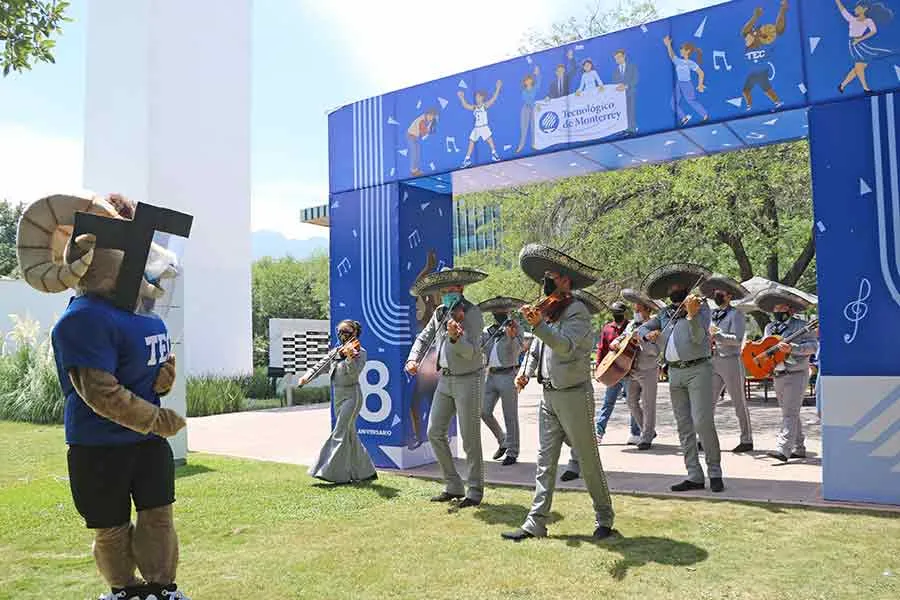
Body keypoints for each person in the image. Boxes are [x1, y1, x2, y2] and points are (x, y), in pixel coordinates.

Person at [19, 191, 192, 600]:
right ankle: (125, 591)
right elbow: (100, 392)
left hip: (147, 444)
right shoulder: (83, 320)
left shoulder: (142, 313)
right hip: (99, 446)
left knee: (158, 517)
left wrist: (164, 376)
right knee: (111, 527)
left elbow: (154, 371)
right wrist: (156, 418)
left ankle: (162, 587)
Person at [503, 244, 616, 541]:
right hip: (549, 396)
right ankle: (535, 522)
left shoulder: (578, 311)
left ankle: (604, 518)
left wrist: (538, 324)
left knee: (588, 460)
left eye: (552, 275)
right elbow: (537, 349)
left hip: (575, 395)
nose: (547, 280)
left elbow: (563, 345)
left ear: (566, 280)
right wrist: (524, 371)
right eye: (546, 276)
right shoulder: (549, 311)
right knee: (545, 461)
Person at [638, 263, 725, 493]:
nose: (674, 289)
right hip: (674, 372)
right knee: (684, 425)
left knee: (702, 421)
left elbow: (698, 338)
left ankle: (714, 471)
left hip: (699, 369)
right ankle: (694, 475)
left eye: (678, 286)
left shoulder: (701, 308)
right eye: (671, 287)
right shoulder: (664, 313)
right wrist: (648, 335)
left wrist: (692, 315)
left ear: (687, 287)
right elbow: (640, 330)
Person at [405, 267, 487, 507]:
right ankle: (453, 485)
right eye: (444, 290)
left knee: (470, 438)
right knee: (434, 432)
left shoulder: (472, 313)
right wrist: (413, 358)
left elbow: (473, 350)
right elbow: (424, 337)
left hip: (469, 378)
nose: (448, 294)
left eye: (452, 289)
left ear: (461, 289)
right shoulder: (440, 312)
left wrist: (455, 339)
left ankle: (474, 491)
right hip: (446, 379)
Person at [306, 320, 377, 484]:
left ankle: (328, 472)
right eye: (340, 331)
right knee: (349, 433)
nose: (342, 334)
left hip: (352, 396)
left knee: (339, 432)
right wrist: (307, 377)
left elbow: (353, 374)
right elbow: (320, 365)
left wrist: (350, 358)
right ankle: (365, 472)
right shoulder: (335, 351)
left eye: (346, 331)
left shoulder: (361, 352)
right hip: (337, 395)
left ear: (355, 333)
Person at [754, 289, 818, 462]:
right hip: (777, 373)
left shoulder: (801, 326)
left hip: (796, 373)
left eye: (781, 307)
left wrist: (793, 349)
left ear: (790, 309)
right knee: (790, 411)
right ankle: (799, 447)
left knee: (789, 412)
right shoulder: (769, 327)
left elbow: (813, 346)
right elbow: (766, 348)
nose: (777, 310)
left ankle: (783, 449)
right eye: (775, 308)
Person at [557, 288, 609, 482]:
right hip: (554, 386)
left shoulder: (581, 325)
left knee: (579, 429)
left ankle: (576, 464)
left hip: (576, 383)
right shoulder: (553, 323)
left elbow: (567, 348)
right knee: (565, 432)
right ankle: (582, 452)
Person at [700, 274, 754, 453]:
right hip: (713, 360)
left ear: (729, 295)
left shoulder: (736, 314)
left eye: (720, 292)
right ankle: (704, 439)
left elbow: (738, 339)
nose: (717, 294)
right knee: (708, 402)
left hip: (731, 361)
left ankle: (746, 439)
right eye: (715, 292)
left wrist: (719, 336)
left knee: (738, 401)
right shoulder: (711, 315)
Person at [479, 297, 527, 466]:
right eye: (495, 311)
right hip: (490, 375)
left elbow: (519, 348)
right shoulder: (487, 331)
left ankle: (513, 452)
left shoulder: (516, 328)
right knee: (483, 411)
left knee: (510, 415)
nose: (498, 313)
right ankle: (503, 440)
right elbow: (479, 347)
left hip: (509, 374)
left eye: (502, 311)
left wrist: (511, 336)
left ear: (507, 311)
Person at [616, 289, 663, 450]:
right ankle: (647, 430)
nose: (635, 309)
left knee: (648, 404)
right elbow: (622, 337)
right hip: (631, 369)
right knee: (630, 402)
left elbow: (655, 351)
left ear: (646, 309)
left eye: (638, 307)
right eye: (635, 306)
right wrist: (616, 342)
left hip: (648, 369)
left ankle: (646, 437)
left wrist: (642, 340)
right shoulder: (631, 324)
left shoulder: (656, 326)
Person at [594, 301, 641, 445]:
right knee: (608, 403)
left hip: (628, 372)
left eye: (619, 312)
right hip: (613, 372)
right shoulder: (607, 328)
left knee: (632, 403)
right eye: (614, 312)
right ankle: (599, 432)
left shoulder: (632, 327)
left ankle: (635, 433)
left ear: (624, 313)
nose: (617, 315)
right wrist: (599, 368)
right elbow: (602, 349)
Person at [836, 0, 895, 94]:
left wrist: (860, 39)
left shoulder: (868, 20)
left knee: (859, 68)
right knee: (859, 66)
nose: (855, 9)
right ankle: (865, 88)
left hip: (859, 43)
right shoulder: (852, 19)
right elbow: (843, 10)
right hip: (853, 44)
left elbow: (874, 31)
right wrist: (838, 1)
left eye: (858, 8)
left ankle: (842, 85)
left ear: (864, 9)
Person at [740, 0, 789, 111]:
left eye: (751, 33)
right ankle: (749, 106)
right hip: (753, 73)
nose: (747, 36)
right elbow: (744, 31)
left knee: (767, 89)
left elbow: (778, 29)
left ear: (757, 36)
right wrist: (755, 17)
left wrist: (782, 10)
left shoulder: (764, 45)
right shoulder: (747, 46)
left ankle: (777, 102)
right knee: (745, 91)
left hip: (762, 72)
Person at [663, 35, 709, 126]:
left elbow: (701, 73)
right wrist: (668, 45)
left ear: (687, 51)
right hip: (679, 84)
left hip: (687, 84)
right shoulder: (678, 61)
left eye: (682, 49)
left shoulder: (690, 63)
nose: (680, 50)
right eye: (680, 49)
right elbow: (672, 55)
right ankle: (683, 118)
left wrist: (700, 84)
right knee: (673, 103)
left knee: (691, 101)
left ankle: (705, 115)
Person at [458, 81, 503, 168]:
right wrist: (461, 97)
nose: (477, 98)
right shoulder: (474, 107)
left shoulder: (484, 105)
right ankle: (467, 159)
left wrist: (498, 88)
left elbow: (494, 98)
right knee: (471, 142)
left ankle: (494, 154)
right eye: (476, 96)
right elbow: (466, 105)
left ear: (482, 97)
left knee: (489, 140)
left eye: (478, 96)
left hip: (484, 126)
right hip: (476, 128)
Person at [611, 49, 639, 134]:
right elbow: (614, 83)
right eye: (616, 58)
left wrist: (626, 86)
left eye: (619, 57)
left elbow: (635, 79)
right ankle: (624, 129)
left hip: (630, 93)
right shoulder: (615, 71)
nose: (618, 59)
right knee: (623, 113)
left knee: (631, 111)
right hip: (620, 96)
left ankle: (632, 129)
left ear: (624, 56)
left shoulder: (631, 67)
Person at [516, 67, 541, 153]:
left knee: (534, 127)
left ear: (531, 81)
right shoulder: (524, 91)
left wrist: (537, 74)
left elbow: (539, 83)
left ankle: (534, 144)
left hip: (533, 109)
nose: (528, 81)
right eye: (526, 80)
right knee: (524, 128)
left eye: (529, 80)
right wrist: (535, 105)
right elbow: (528, 100)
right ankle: (521, 145)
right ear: (524, 82)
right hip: (526, 109)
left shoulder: (534, 88)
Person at [406, 108, 438, 176]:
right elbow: (423, 134)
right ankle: (413, 171)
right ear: (428, 114)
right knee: (414, 153)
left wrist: (432, 123)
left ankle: (415, 170)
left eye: (433, 118)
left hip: (414, 136)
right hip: (412, 136)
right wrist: (429, 128)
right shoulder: (422, 121)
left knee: (417, 153)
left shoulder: (425, 119)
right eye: (431, 117)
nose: (431, 119)